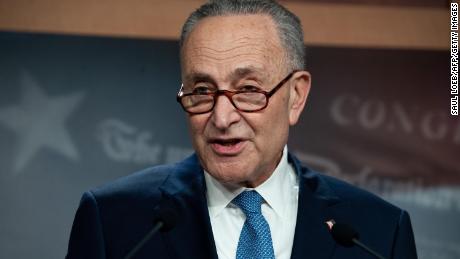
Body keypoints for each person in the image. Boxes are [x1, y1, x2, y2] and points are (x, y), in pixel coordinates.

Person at [66, 0, 417, 258]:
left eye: (248, 90)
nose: (221, 118)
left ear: (296, 96)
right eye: (202, 91)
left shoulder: (377, 233)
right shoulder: (114, 220)